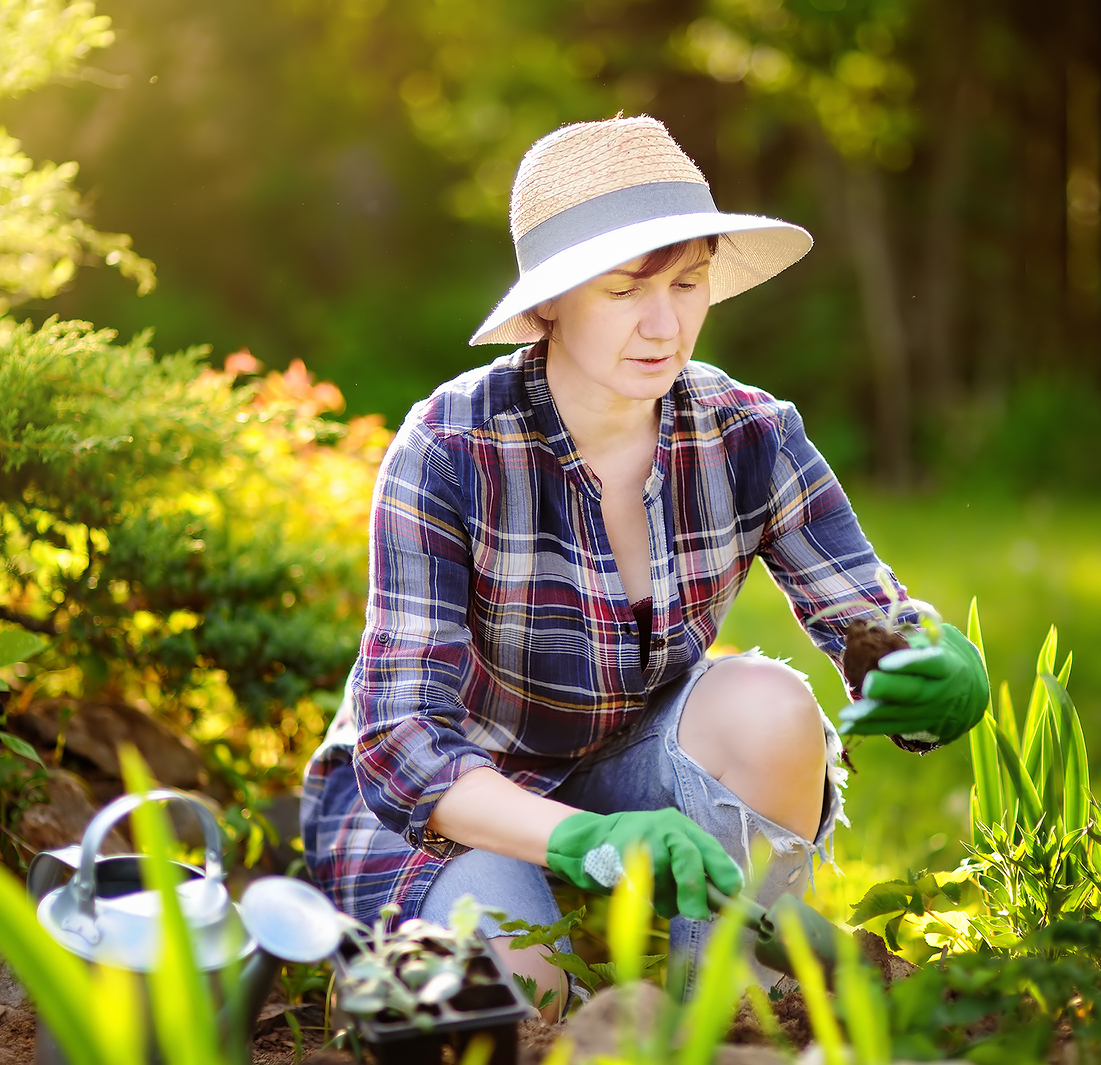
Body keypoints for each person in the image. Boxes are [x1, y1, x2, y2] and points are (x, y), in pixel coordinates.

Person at [300, 116, 988, 1013]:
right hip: (453, 812)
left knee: (771, 705)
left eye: (689, 283)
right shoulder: (451, 445)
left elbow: (868, 618)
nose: (665, 326)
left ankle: (729, 999)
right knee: (521, 998)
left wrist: (929, 665)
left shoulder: (748, 431)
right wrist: (590, 838)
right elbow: (403, 750)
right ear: (551, 303)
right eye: (625, 292)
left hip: (630, 773)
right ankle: (570, 946)